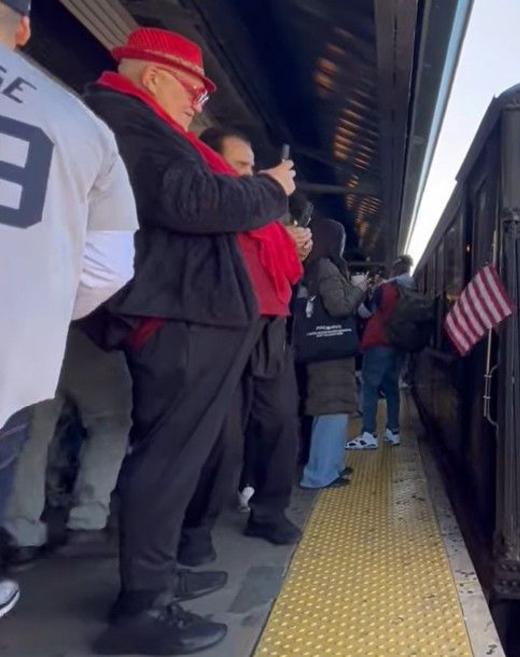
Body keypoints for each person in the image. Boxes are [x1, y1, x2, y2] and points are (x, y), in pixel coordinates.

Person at [82, 27, 298, 654]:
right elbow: (191, 199)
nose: (196, 105)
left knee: (177, 456)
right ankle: (141, 609)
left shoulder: (132, 122)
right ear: (152, 76)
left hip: (187, 312)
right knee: (169, 458)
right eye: (192, 90)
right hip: (178, 315)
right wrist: (270, 189)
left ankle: (157, 580)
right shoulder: (127, 120)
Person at [0, 0, 137, 618]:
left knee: (38, 432)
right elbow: (111, 266)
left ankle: (22, 528)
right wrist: (50, 309)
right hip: (30, 336)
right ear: (25, 28)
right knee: (104, 420)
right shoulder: (80, 126)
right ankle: (86, 515)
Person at [173, 127, 312, 572]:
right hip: (223, 325)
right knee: (221, 437)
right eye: (241, 166)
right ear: (211, 163)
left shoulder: (264, 214)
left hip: (271, 325)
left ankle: (268, 513)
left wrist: (295, 247)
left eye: (252, 166)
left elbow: (283, 268)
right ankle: (193, 528)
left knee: (280, 423)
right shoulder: (204, 202)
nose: (252, 174)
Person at [4, 325, 132, 564]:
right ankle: (87, 523)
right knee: (110, 422)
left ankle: (20, 535)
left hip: (35, 333)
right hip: (89, 330)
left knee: (33, 434)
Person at [300, 219, 364, 488]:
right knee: (331, 409)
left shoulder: (316, 267)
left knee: (332, 410)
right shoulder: (326, 267)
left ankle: (331, 467)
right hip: (329, 353)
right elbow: (338, 306)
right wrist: (359, 288)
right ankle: (318, 475)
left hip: (326, 351)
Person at [348, 256, 415, 449]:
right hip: (399, 345)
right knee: (392, 387)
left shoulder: (385, 289)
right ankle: (393, 432)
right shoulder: (411, 289)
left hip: (379, 343)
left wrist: (359, 296)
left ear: (394, 271)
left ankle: (368, 433)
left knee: (370, 387)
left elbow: (365, 312)